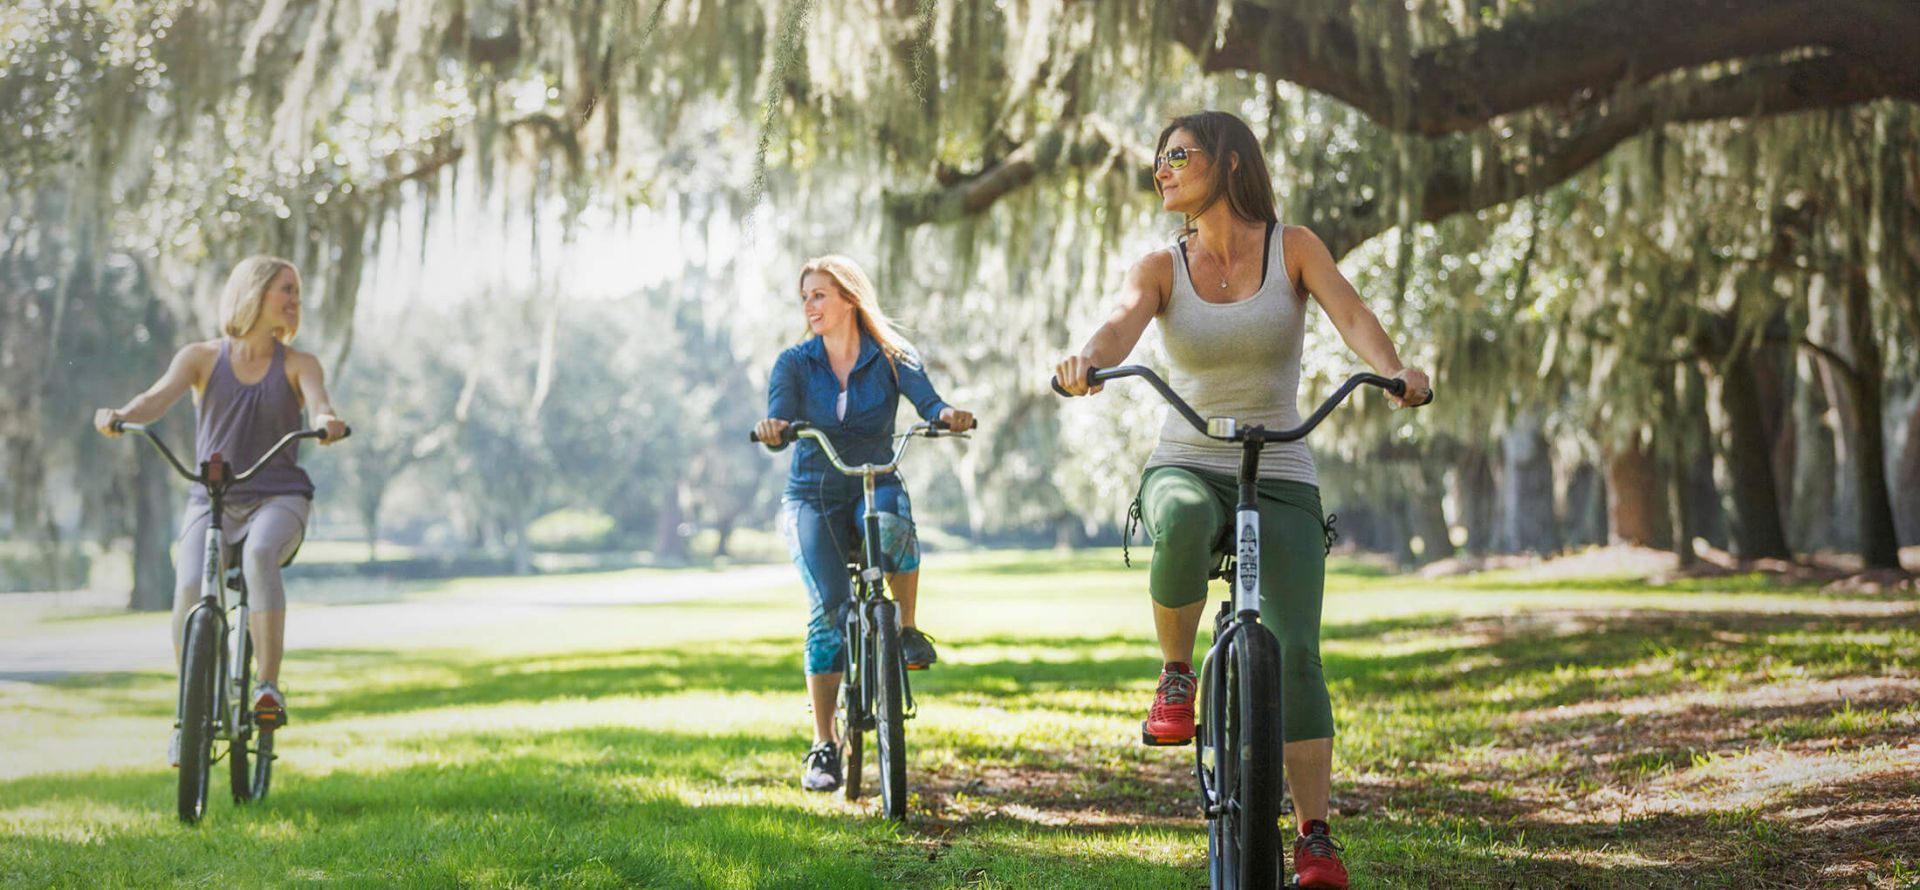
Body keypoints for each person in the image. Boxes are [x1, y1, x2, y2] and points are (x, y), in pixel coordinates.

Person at [1052, 111, 1430, 889]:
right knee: (1184, 521)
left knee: (1298, 652)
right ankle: (1175, 676)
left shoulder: (1293, 246)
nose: (1162, 169)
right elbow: (1121, 326)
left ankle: (1316, 836)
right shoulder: (1162, 266)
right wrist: (1086, 360)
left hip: (1281, 468)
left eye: (1178, 155)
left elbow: (1350, 313)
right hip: (1187, 460)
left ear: (1227, 163)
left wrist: (1396, 370)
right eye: (1158, 160)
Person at [94, 255, 348, 766]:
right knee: (189, 586)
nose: (295, 300)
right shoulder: (201, 359)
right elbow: (155, 399)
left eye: (296, 291)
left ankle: (268, 688)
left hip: (280, 497)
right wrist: (121, 416)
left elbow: (320, 402)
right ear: (254, 292)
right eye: (287, 289)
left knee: (258, 557)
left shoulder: (300, 364)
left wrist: (327, 421)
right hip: (212, 501)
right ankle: (189, 713)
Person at [753, 254, 975, 793]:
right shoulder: (795, 363)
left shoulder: (895, 358)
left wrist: (946, 416)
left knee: (894, 526)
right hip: (813, 495)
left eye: (820, 295)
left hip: (874, 481)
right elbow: (780, 412)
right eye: (805, 296)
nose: (809, 305)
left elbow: (930, 402)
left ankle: (905, 630)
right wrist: (776, 427)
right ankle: (824, 743)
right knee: (829, 614)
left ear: (849, 297)